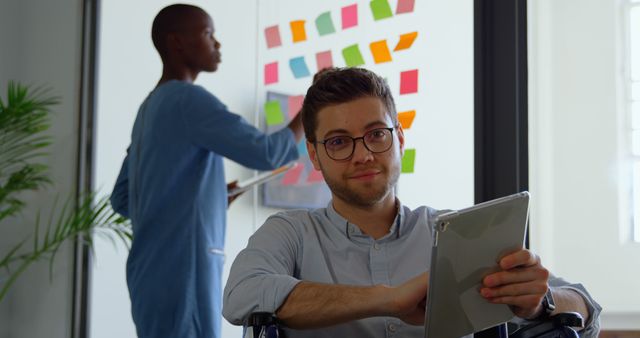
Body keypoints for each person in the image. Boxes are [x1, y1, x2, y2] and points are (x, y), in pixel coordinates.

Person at [222, 67, 601, 337]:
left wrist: (543, 301)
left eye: (376, 134)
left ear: (399, 140)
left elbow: (588, 309)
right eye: (339, 142)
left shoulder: (459, 233)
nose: (363, 155)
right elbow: (242, 296)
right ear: (315, 156)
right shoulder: (289, 234)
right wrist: (388, 300)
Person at [110, 4, 303, 338]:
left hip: (148, 278)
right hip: (183, 277)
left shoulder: (149, 108)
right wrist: (312, 103)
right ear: (176, 43)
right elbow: (268, 152)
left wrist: (209, 198)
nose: (218, 44)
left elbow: (123, 199)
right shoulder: (189, 100)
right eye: (208, 34)